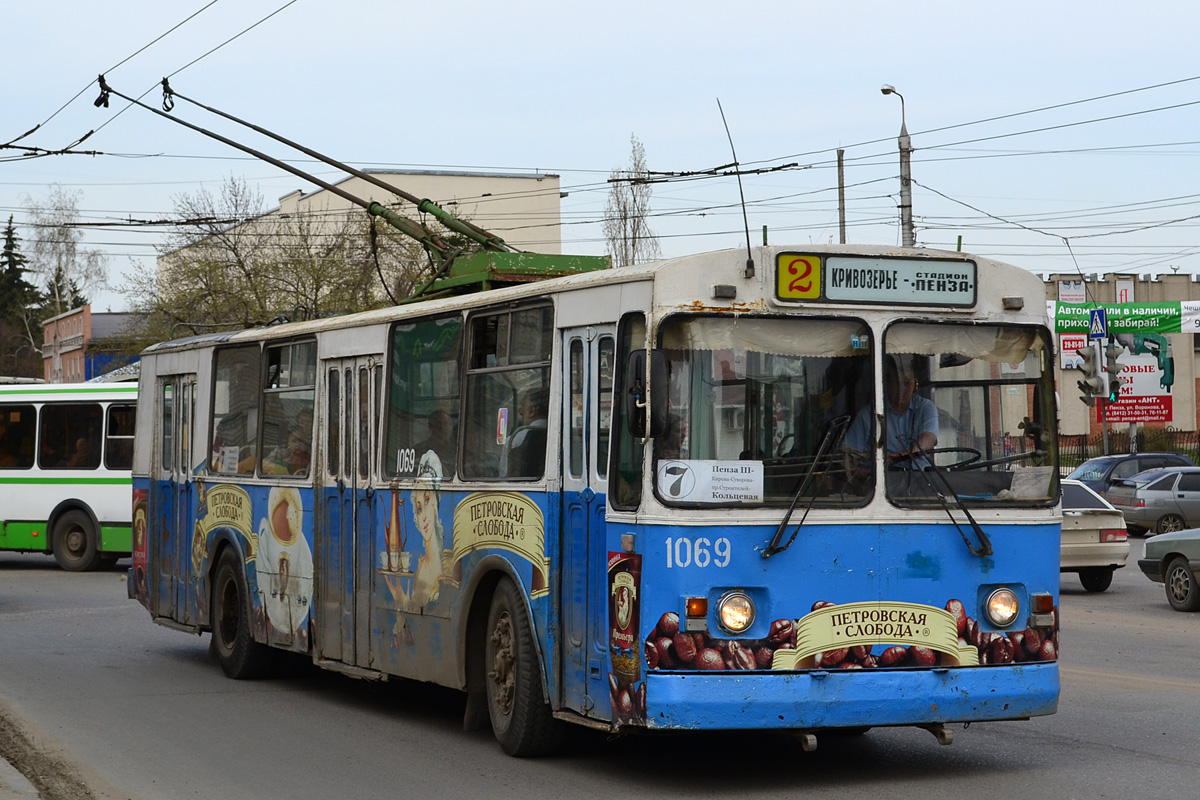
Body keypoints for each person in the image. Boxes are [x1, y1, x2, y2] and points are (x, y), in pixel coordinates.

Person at [844, 355, 938, 471]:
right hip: (881, 480)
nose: (902, 390)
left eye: (907, 384)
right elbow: (849, 454)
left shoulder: (925, 407)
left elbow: (929, 439)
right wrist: (863, 474)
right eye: (897, 383)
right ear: (887, 385)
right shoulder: (868, 414)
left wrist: (906, 454)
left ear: (915, 386)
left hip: (918, 478)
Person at [507, 387, 549, 477]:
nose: (520, 412)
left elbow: (503, 473)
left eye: (523, 406)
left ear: (531, 411)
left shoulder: (518, 437)